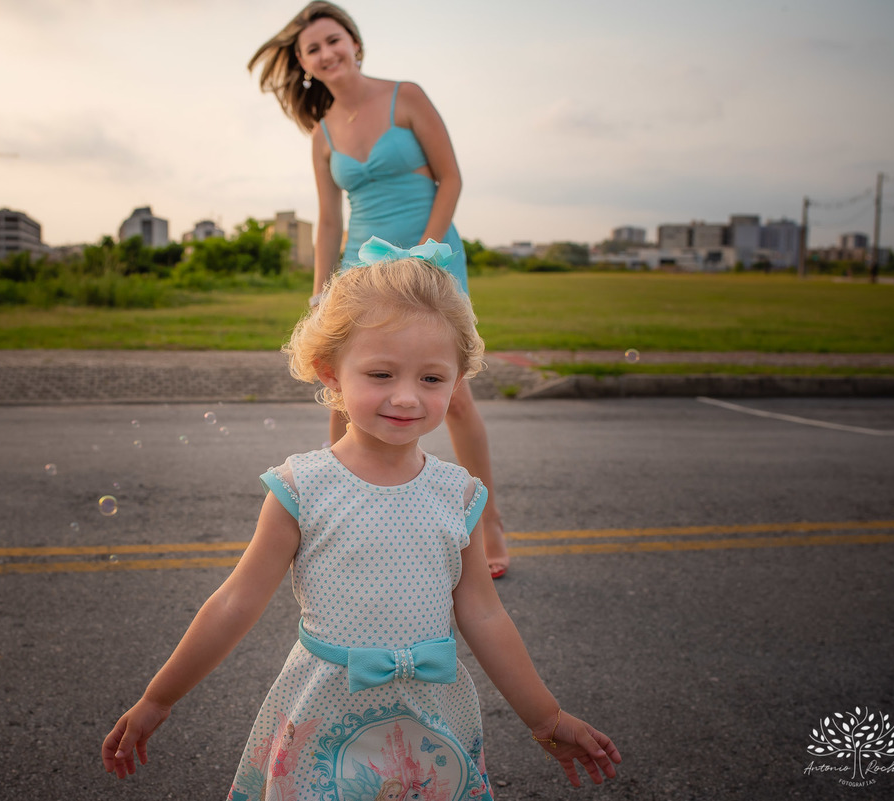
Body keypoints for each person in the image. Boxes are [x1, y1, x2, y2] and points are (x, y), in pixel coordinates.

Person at [101, 242, 621, 799]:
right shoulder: (302, 489)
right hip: (324, 714)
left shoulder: (459, 493)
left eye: (431, 379)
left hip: (431, 719)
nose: (406, 397)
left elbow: (484, 615)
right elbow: (235, 603)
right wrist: (159, 698)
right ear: (331, 372)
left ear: (457, 381)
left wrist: (546, 718)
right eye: (380, 373)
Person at [248, 1, 511, 579]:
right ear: (306, 65)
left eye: (334, 39)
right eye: (312, 48)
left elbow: (452, 179)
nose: (326, 52)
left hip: (433, 257)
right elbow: (329, 221)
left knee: (456, 395)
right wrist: (323, 289)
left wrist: (425, 253)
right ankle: (335, 509)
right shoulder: (321, 135)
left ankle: (487, 522)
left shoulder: (406, 96)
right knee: (348, 391)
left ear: (355, 44)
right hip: (361, 269)